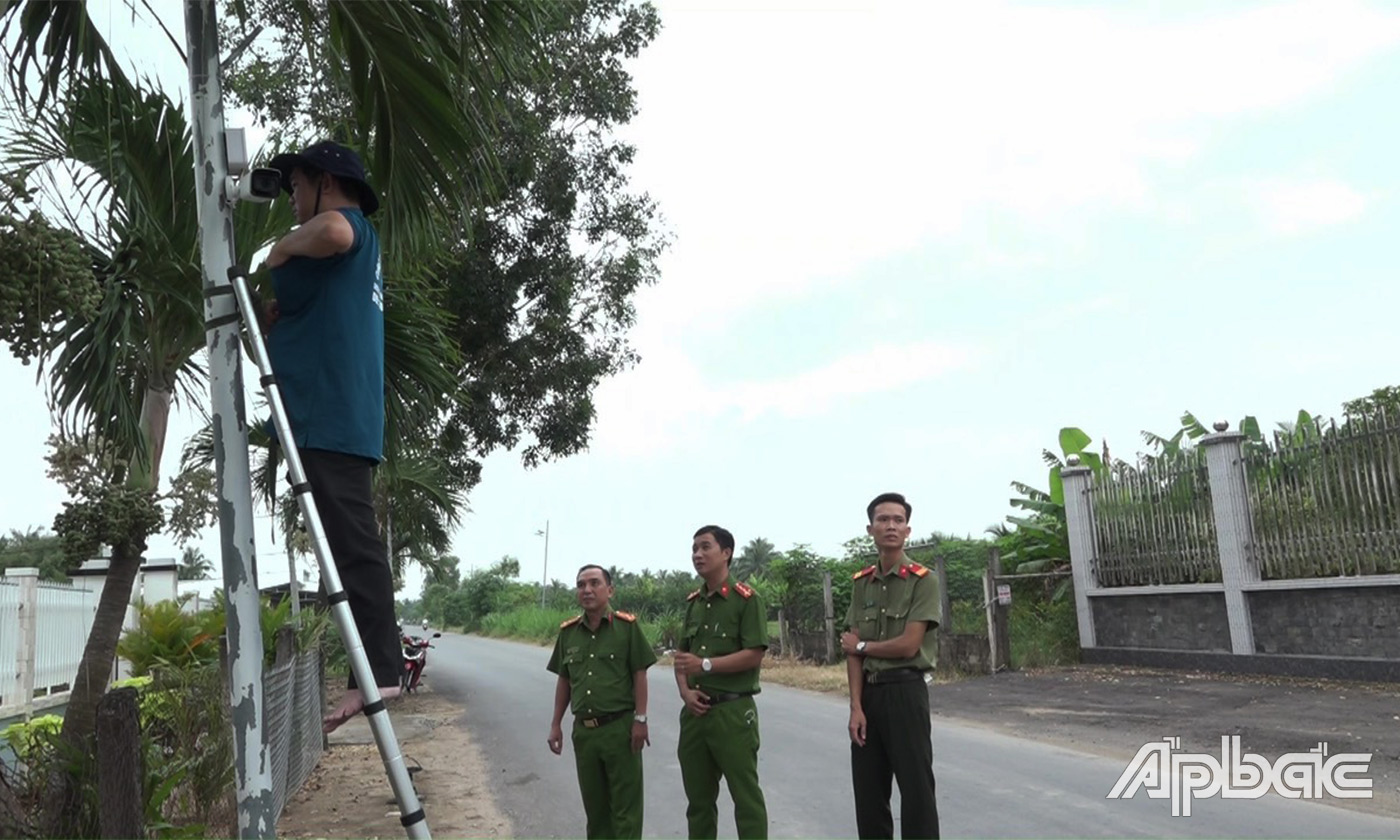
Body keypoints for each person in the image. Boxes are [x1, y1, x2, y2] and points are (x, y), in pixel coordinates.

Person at [261, 140, 398, 733]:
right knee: (343, 548)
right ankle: (374, 671)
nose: (291, 196)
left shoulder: (349, 229)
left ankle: (382, 673)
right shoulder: (340, 265)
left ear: (326, 183)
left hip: (332, 416)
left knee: (356, 548)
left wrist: (276, 249)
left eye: (297, 184)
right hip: (328, 415)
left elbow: (335, 232)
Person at [840, 492, 942, 839]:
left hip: (906, 692)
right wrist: (856, 706)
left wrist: (865, 646)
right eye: (883, 519)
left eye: (898, 520)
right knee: (869, 794)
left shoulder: (923, 580)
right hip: (869, 695)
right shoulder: (860, 583)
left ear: (908, 530)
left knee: (916, 791)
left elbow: (909, 643)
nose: (891, 526)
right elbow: (852, 652)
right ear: (870, 528)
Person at [546, 564, 657, 839]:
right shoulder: (568, 632)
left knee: (625, 810)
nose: (587, 590)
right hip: (585, 734)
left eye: (595, 583)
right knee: (595, 812)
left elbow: (639, 674)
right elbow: (564, 680)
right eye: (581, 584)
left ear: (610, 590)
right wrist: (556, 724)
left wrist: (640, 720)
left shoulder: (627, 628)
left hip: (619, 730)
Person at [673, 525, 769, 839]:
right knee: (698, 802)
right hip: (696, 716)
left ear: (726, 553)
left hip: (732, 713)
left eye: (705, 547)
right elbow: (681, 658)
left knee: (746, 797)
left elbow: (754, 654)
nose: (697, 555)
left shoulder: (746, 600)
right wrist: (685, 692)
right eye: (694, 549)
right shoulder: (693, 604)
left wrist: (706, 664)